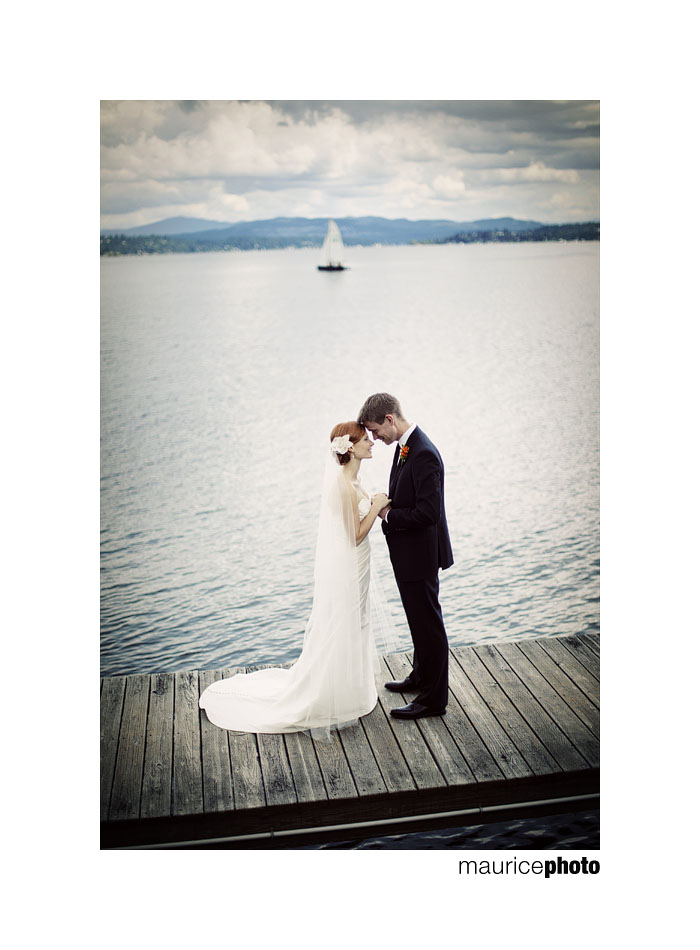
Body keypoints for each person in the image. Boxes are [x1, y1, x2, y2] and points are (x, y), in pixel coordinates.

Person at [198, 422, 390, 736]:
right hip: (350, 563)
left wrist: (375, 503)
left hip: (359, 565)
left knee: (358, 621)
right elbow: (354, 535)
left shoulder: (354, 479)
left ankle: (353, 691)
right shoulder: (342, 484)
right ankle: (332, 696)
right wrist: (377, 507)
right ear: (349, 447)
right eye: (364, 439)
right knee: (343, 622)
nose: (371, 442)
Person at [357, 393, 453, 720]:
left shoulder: (424, 453)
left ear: (389, 418)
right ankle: (421, 677)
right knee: (418, 622)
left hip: (421, 555)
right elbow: (407, 496)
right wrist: (389, 503)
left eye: (374, 430)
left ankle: (433, 699)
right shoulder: (404, 447)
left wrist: (387, 515)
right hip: (409, 554)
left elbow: (428, 513)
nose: (373, 438)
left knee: (430, 625)